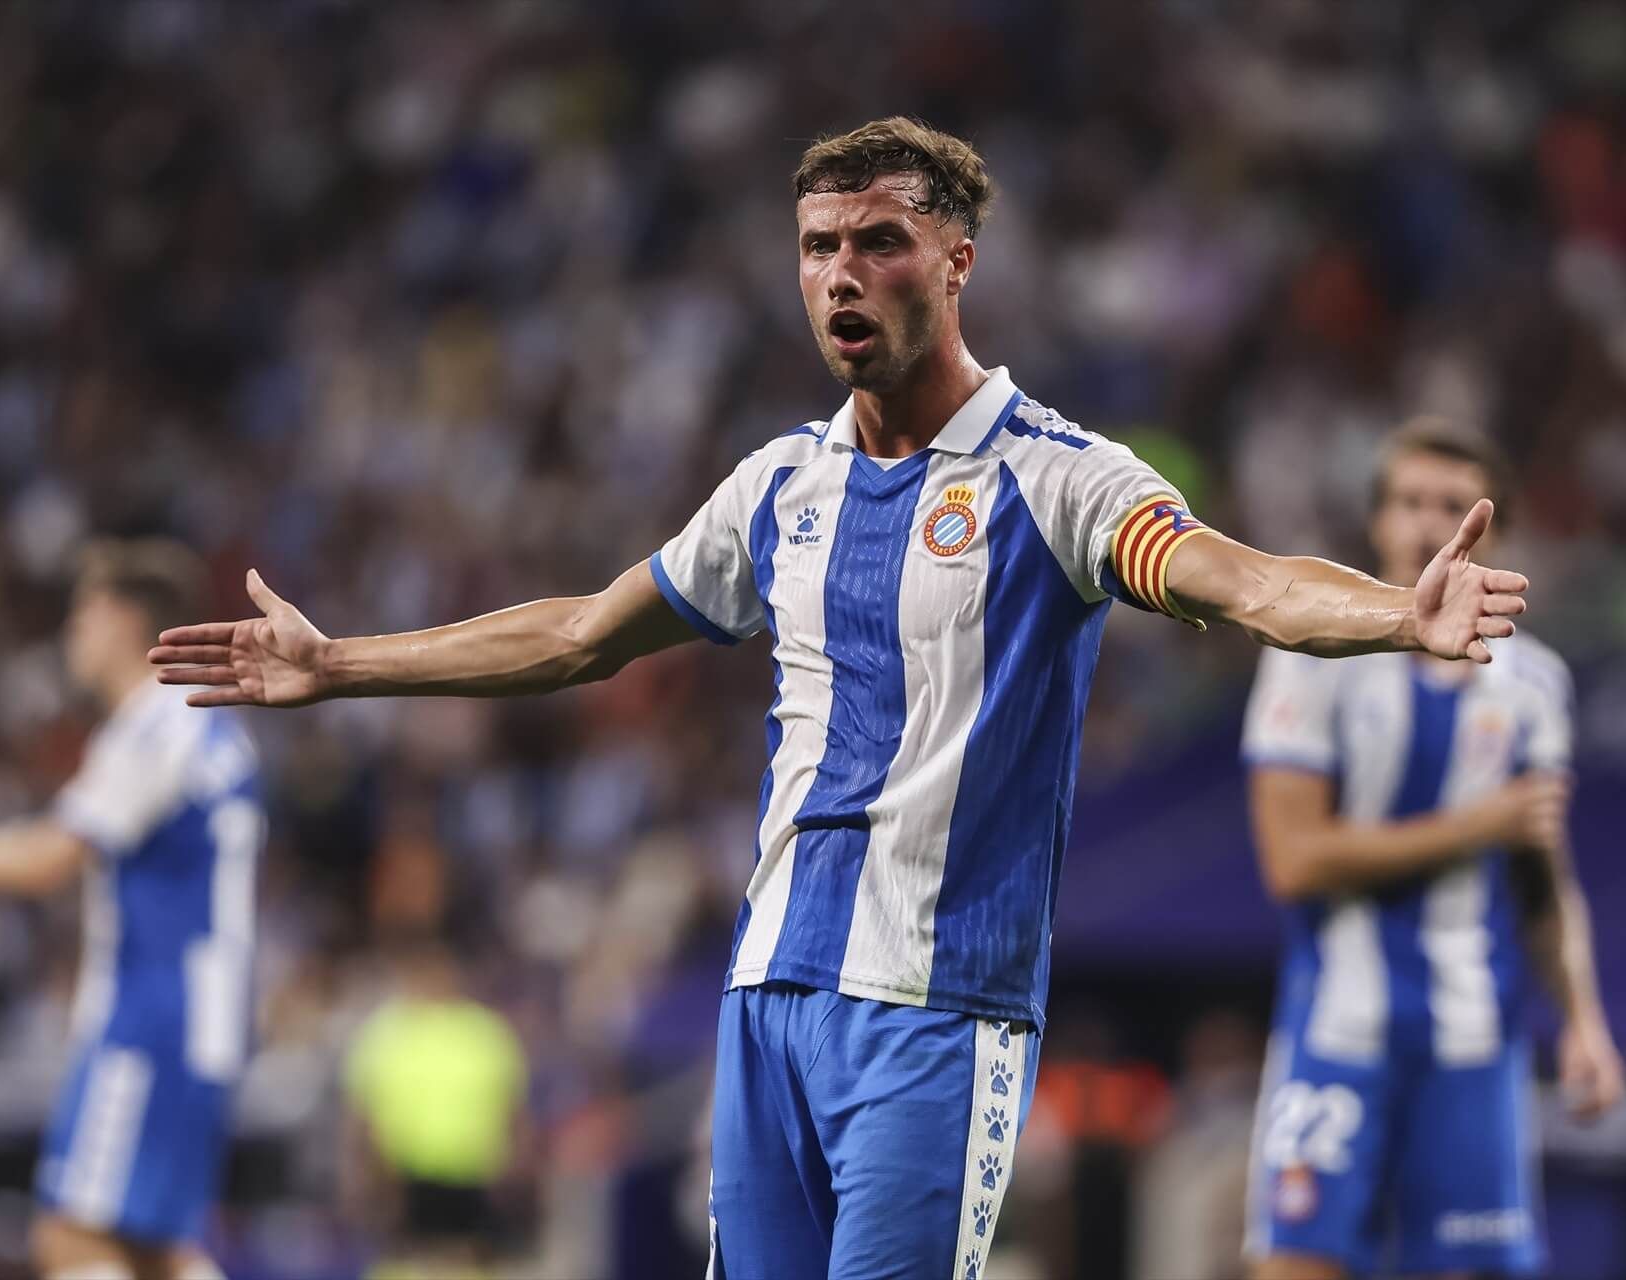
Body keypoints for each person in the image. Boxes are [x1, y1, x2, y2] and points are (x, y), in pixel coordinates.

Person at [149, 118, 1530, 1279]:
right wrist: (344, 666)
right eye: (820, 248)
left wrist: (1393, 614)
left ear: (958, 261)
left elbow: (1241, 583)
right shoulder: (779, 487)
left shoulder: (1058, 480)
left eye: (879, 243)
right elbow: (580, 633)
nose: (842, 276)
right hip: (768, 1000)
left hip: (936, 1014)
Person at [1239, 418, 1626, 1280]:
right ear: (1377, 521)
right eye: (1410, 501)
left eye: (1452, 504)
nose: (1426, 524)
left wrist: (1585, 1025)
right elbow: (1292, 860)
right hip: (1336, 1033)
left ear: (1496, 531)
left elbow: (1543, 882)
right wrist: (1473, 827)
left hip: (1474, 1046)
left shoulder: (1534, 686)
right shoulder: (1311, 660)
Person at [0, 539, 264, 1280]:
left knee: (70, 1239)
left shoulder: (156, 721)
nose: (73, 632)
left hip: (150, 1014)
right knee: (156, 1249)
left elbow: (49, 858)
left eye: (82, 612)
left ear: (120, 617)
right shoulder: (209, 723)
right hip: (200, 1020)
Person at [341, 936, 527, 1280]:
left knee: (464, 1257)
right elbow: (363, 1110)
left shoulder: (483, 1032)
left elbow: (510, 1106)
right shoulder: (387, 1032)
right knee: (408, 1256)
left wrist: (513, 1165)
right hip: (403, 1171)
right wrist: (366, 1170)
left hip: (469, 1168)